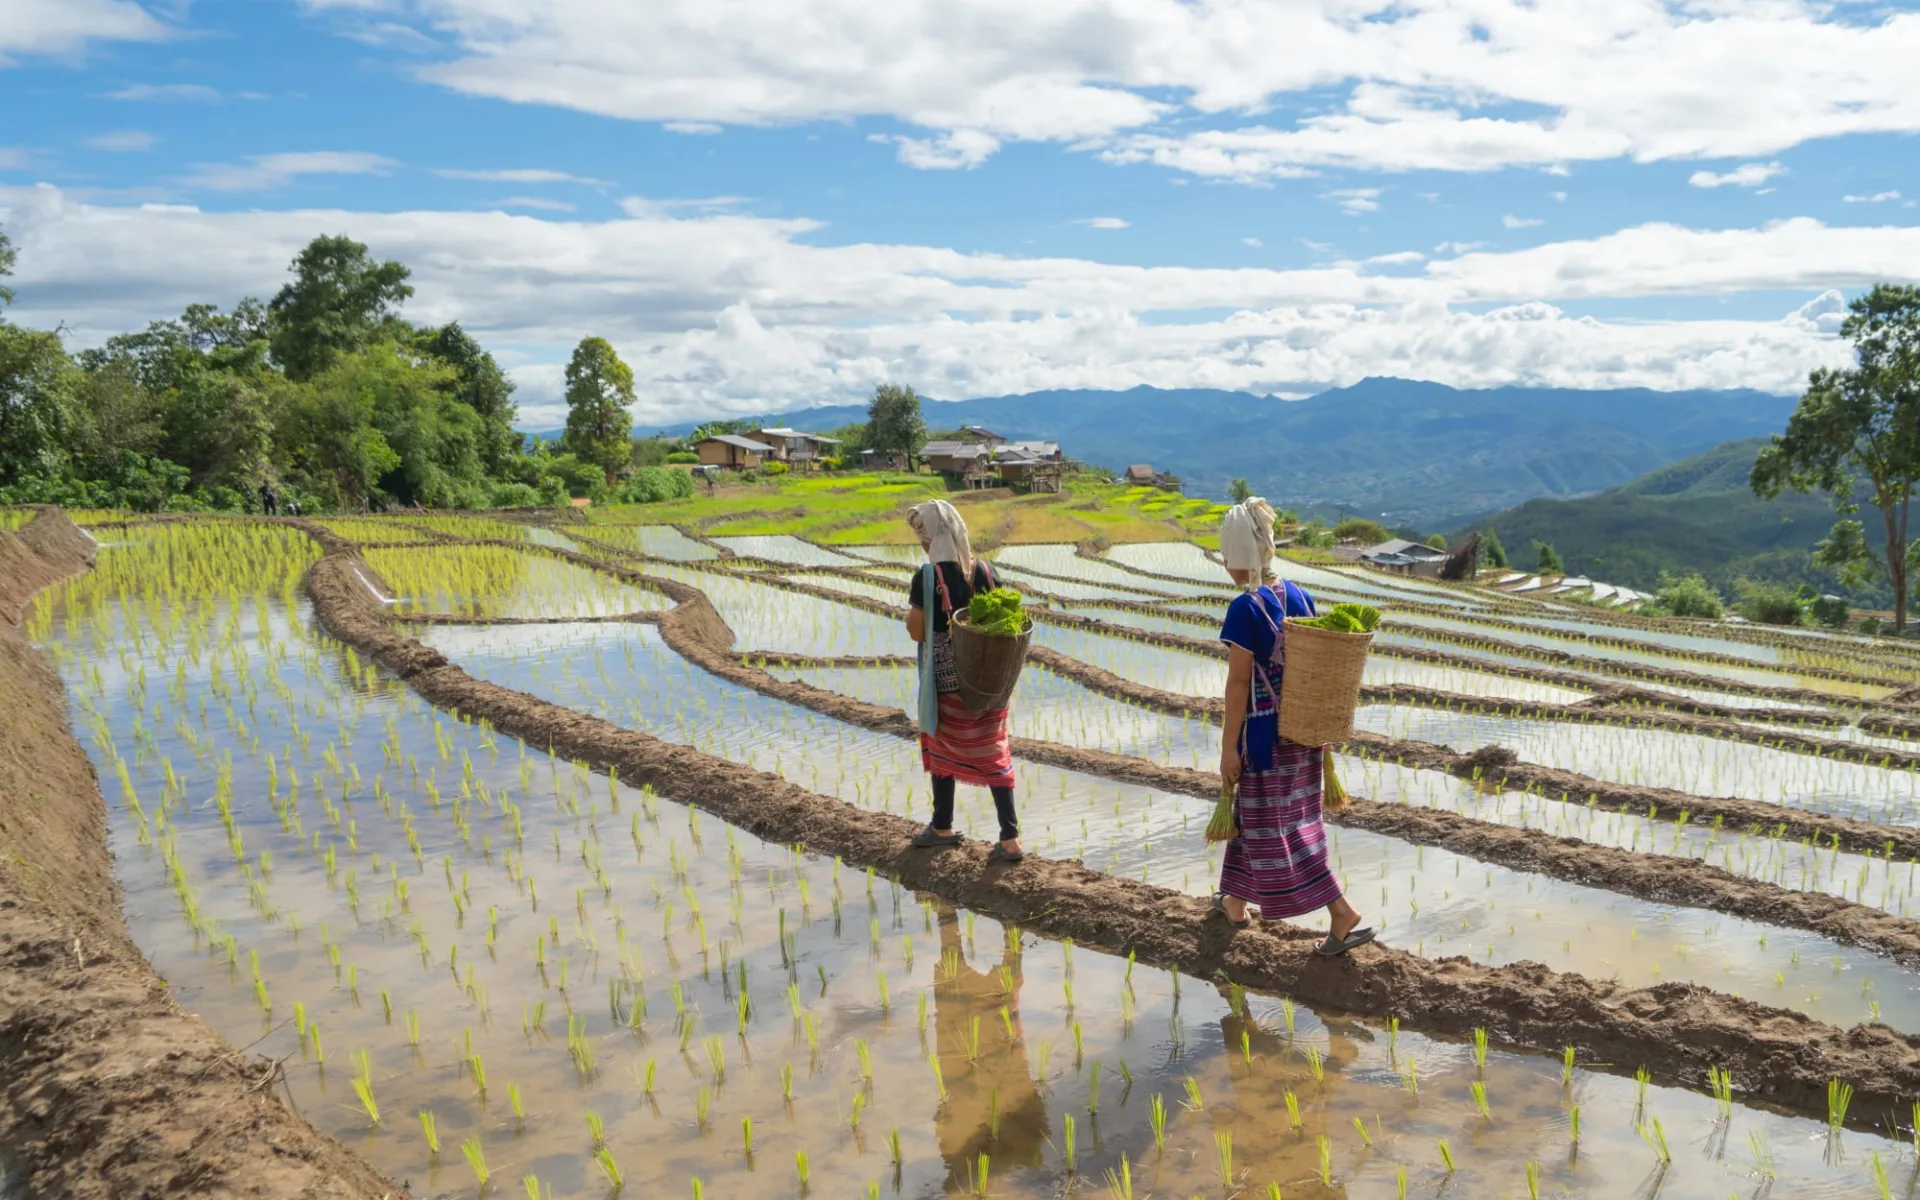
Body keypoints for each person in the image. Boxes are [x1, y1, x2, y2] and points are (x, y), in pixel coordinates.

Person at [1213, 497, 1371, 957]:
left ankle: (1342, 913)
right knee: (1262, 820)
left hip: (1265, 741)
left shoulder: (1245, 608)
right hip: (1303, 737)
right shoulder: (1299, 595)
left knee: (1278, 828)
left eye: (1226, 554)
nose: (1225, 564)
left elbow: (1239, 683)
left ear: (1238, 554)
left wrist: (1228, 749)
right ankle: (1234, 903)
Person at [905, 499, 1023, 862]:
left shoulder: (927, 577)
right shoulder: (986, 572)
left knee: (942, 747)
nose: (921, 545)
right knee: (994, 751)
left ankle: (942, 826)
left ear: (930, 539)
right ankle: (1010, 838)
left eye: (921, 537)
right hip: (989, 683)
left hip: (948, 685)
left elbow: (916, 631)